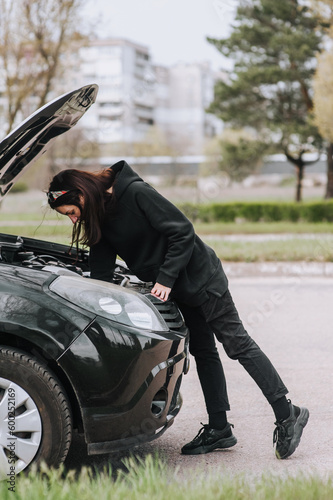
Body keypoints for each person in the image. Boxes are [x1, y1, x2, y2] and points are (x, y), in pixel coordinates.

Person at [47, 160, 309, 458]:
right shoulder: (100, 217)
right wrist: (91, 302)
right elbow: (102, 272)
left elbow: (182, 231)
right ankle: (219, 429)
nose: (72, 220)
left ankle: (288, 412)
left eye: (70, 212)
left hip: (202, 277)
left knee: (237, 344)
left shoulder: (134, 192)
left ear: (80, 195)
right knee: (204, 352)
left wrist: (165, 279)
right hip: (179, 288)